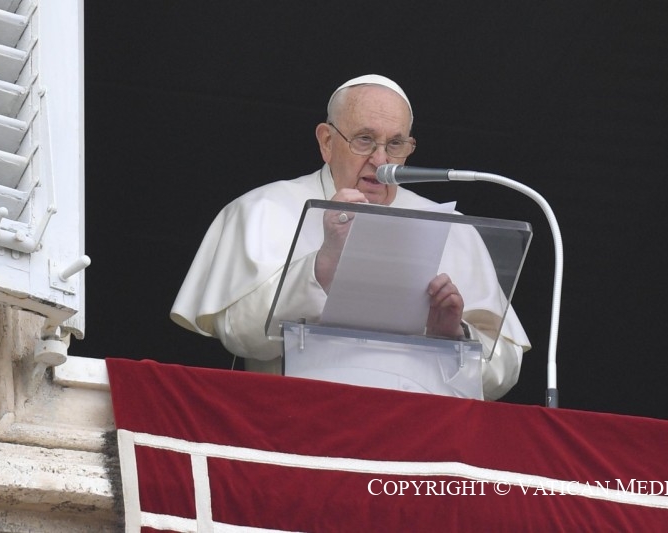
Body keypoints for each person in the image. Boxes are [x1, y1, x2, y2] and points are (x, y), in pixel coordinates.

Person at [171, 74, 530, 400]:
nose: (381, 160)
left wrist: (454, 338)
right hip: (298, 423)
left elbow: (504, 369)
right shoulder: (264, 208)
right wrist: (321, 268)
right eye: (364, 140)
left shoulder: (455, 229)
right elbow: (239, 333)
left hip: (419, 433)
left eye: (395, 144)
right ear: (327, 142)